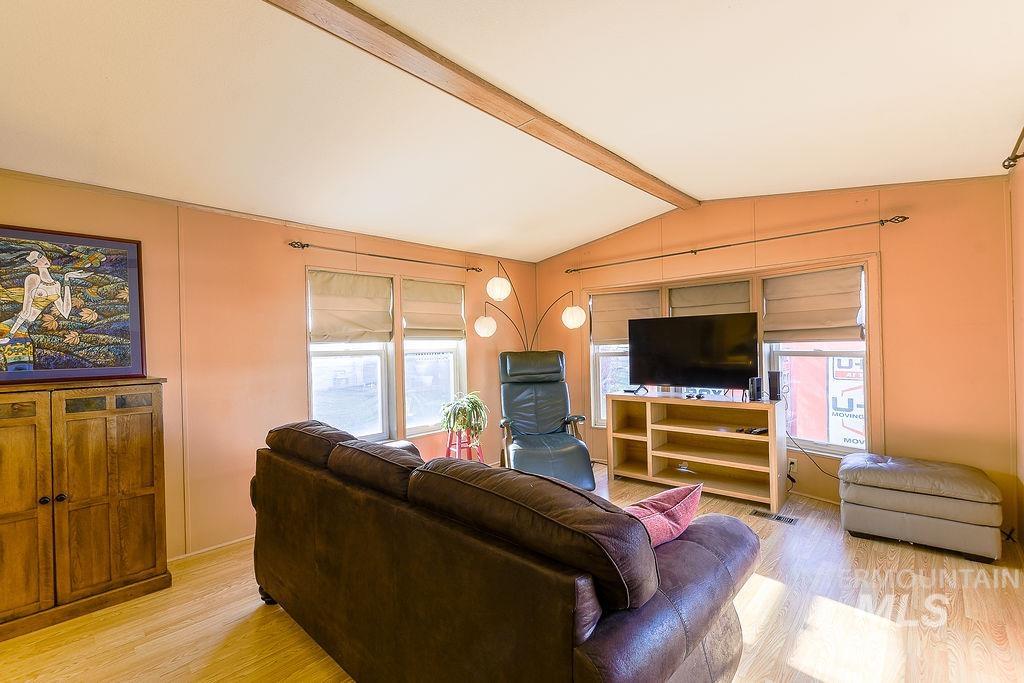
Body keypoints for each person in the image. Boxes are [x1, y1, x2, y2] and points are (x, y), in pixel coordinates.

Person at [0, 250, 88, 371]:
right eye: (36, 261)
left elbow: (65, 312)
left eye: (41, 256)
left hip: (24, 328)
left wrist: (67, 279)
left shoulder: (56, 285)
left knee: (22, 367)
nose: (42, 261)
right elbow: (25, 311)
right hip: (12, 326)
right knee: (20, 366)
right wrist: (10, 335)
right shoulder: (33, 279)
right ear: (34, 265)